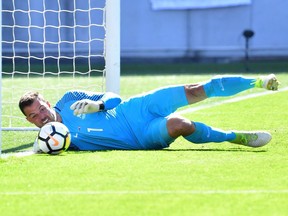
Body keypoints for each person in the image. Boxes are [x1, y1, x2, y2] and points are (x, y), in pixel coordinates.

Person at [19, 74, 279, 152]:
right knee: (181, 124)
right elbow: (42, 150)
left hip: (136, 107)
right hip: (140, 137)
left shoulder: (69, 99)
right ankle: (236, 137)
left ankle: (257, 82)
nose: (42, 116)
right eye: (35, 116)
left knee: (195, 89)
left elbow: (114, 98)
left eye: (42, 108)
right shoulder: (55, 143)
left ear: (48, 102)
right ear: (29, 121)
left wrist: (97, 105)